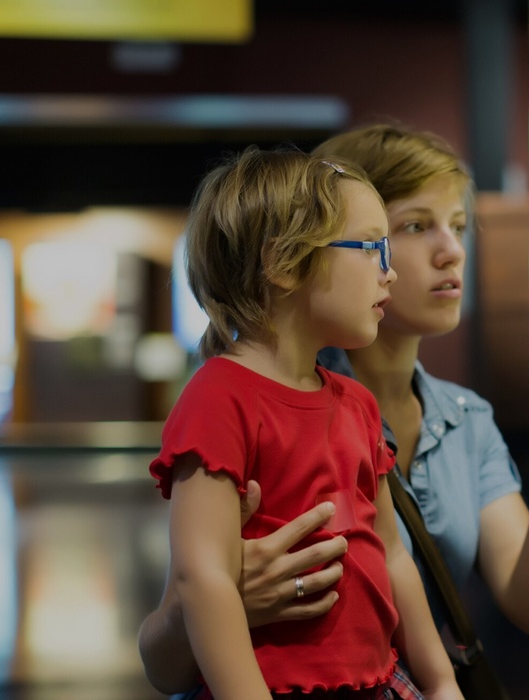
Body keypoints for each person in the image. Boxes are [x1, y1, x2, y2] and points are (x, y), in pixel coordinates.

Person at [138, 124, 529, 695]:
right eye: (410, 229)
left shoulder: (442, 415)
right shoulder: (229, 395)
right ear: (290, 257)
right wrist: (216, 599)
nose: (452, 250)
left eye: (460, 226)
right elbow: (183, 619)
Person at [148, 148, 460, 699]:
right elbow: (204, 578)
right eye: (371, 248)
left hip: (376, 683)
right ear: (285, 263)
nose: (388, 272)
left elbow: (391, 552)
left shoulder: (358, 404)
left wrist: (440, 683)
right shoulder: (219, 397)